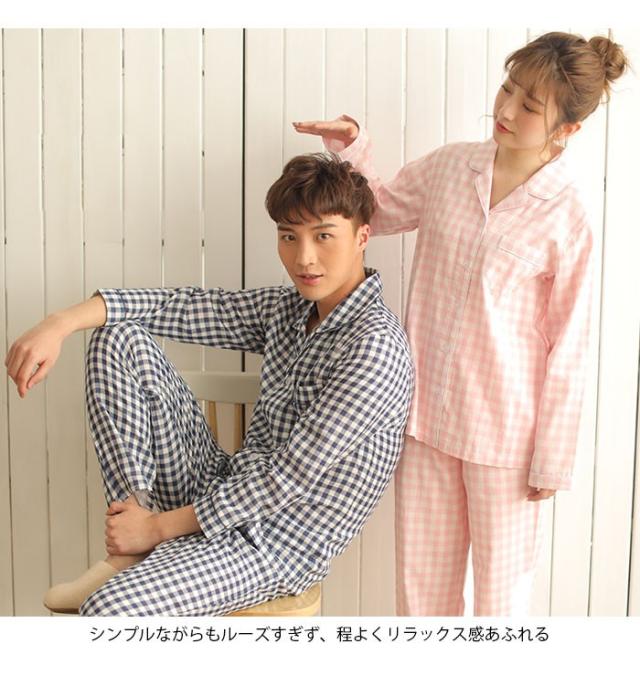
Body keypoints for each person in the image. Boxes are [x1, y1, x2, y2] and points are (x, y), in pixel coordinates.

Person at [293, 32, 629, 615]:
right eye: (508, 89)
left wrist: (552, 455)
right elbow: (379, 211)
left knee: (500, 606)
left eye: (529, 106)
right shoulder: (452, 166)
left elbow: (570, 341)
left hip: (506, 439)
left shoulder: (568, 214)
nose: (506, 110)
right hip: (425, 421)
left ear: (567, 129)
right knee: (421, 598)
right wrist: (353, 149)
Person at [4, 153, 414, 616]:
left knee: (108, 613)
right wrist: (60, 323)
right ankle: (128, 547)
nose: (304, 258)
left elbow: (285, 478)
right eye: (288, 236)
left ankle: (142, 538)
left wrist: (158, 528)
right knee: (116, 336)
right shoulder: (290, 310)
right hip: (220, 488)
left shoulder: (374, 347)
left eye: (323, 236)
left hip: (274, 545)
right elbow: (184, 307)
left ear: (362, 236)